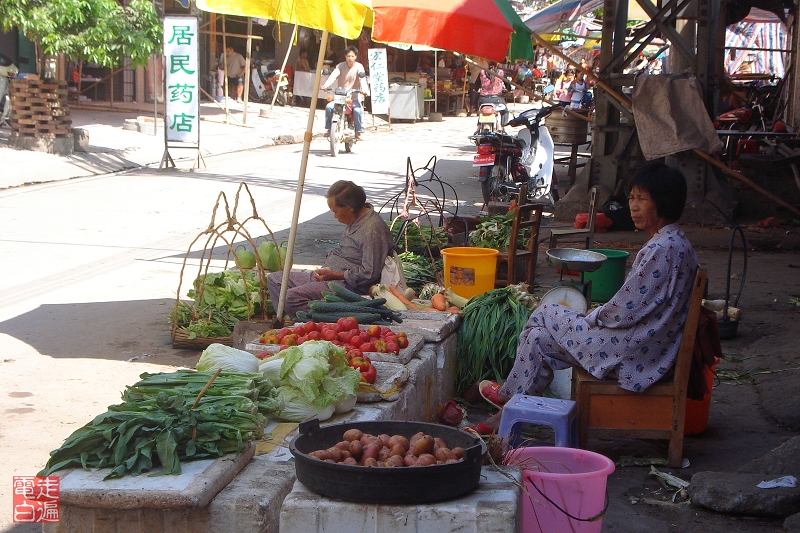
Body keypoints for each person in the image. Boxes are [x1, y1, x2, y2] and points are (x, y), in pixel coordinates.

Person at [471, 162, 698, 433]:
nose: (633, 206)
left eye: (642, 199)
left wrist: (593, 315)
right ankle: (509, 412)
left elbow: (623, 311)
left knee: (546, 311)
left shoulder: (662, 249)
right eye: (632, 198)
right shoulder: (674, 242)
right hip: (641, 345)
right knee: (537, 338)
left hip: (634, 354)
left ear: (663, 202)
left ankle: (509, 400)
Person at [267, 181, 394, 320]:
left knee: (291, 297)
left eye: (335, 211)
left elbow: (369, 273)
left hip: (348, 285)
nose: (334, 216)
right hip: (331, 276)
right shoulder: (355, 219)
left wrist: (335, 275)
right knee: (276, 279)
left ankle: (318, 321)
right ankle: (294, 319)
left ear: (350, 208)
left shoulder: (372, 230)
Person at [321, 45, 370, 140]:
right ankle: (329, 129)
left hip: (353, 98)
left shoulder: (359, 67)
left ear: (356, 57)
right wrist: (326, 85)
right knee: (329, 107)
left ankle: (358, 132)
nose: (350, 58)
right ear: (345, 56)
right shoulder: (340, 66)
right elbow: (333, 76)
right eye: (348, 56)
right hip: (340, 97)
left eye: (352, 56)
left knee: (358, 110)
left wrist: (364, 90)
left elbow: (362, 79)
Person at [476, 62, 508, 126]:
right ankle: (503, 127)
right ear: (497, 64)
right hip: (496, 100)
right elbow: (507, 85)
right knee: (505, 111)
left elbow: (476, 85)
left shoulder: (482, 72)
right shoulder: (501, 72)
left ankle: (479, 126)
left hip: (483, 100)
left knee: (481, 111)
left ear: (488, 63)